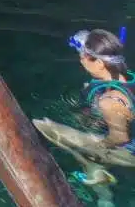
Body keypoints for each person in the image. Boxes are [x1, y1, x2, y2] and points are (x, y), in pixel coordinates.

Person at [35, 29, 135, 201]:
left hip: (128, 150)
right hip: (117, 130)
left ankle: (99, 179)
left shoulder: (110, 101)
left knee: (50, 130)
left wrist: (92, 145)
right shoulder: (125, 77)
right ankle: (103, 195)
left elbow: (119, 139)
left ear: (100, 64)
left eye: (84, 56)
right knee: (90, 162)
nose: (80, 59)